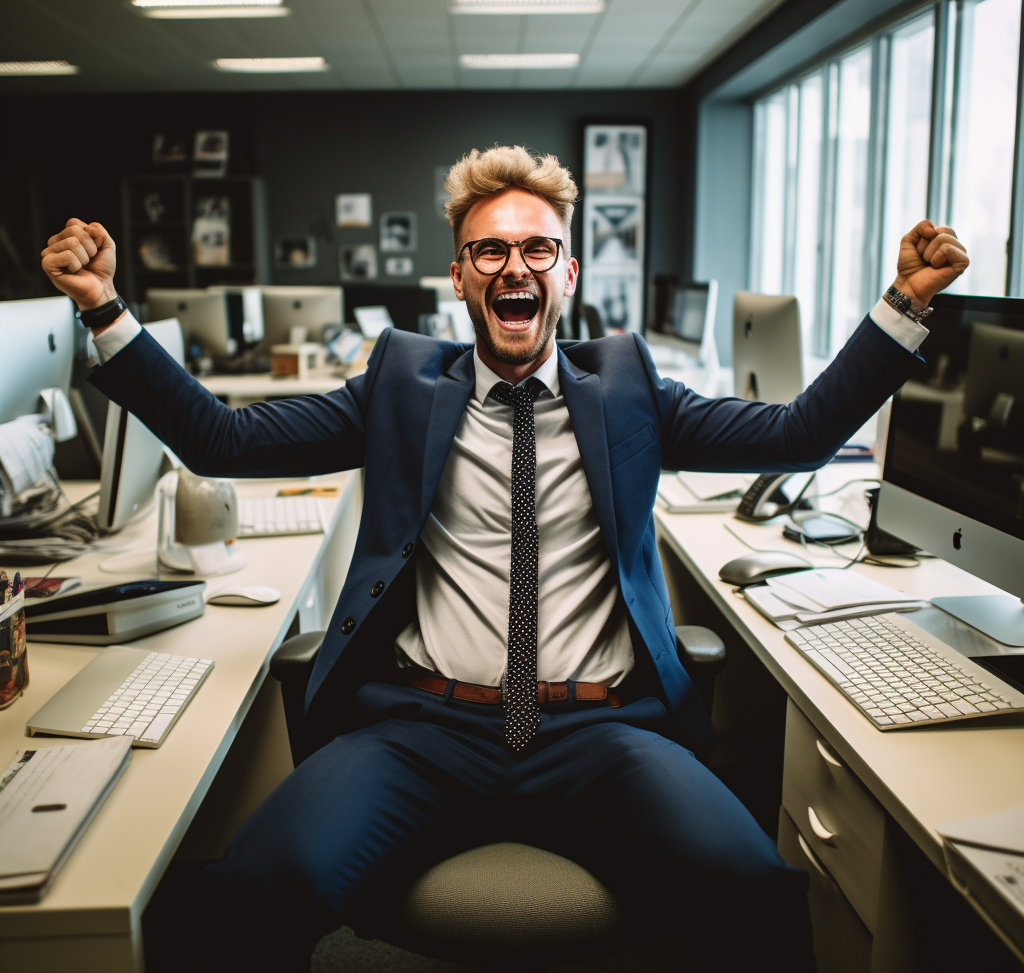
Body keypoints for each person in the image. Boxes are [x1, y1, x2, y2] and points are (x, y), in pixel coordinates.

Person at [41, 145, 968, 972]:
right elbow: (223, 441)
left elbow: (798, 433)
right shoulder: (401, 385)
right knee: (255, 888)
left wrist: (902, 307)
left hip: (603, 733)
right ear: (460, 276)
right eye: (491, 250)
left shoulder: (632, 388)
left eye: (535, 249)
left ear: (565, 272)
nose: (513, 266)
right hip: (422, 731)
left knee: (752, 888)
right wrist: (105, 309)